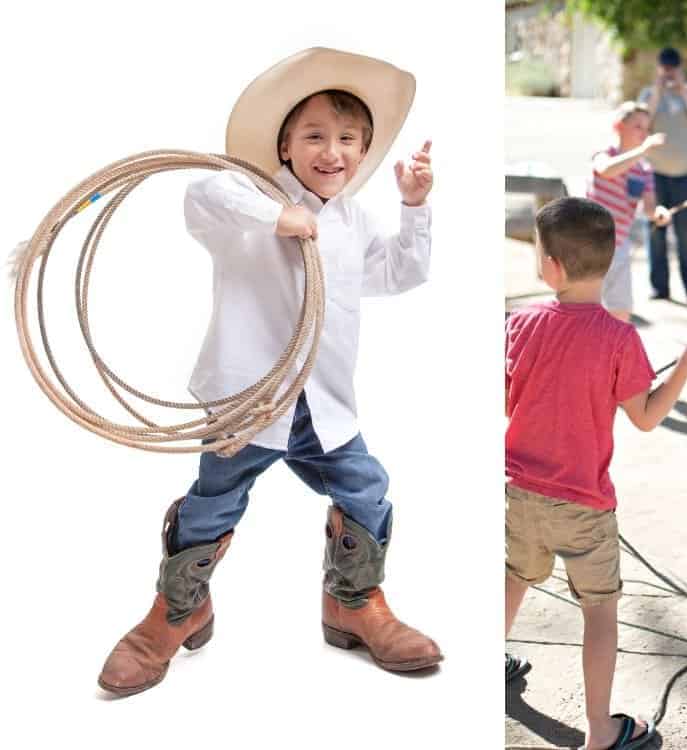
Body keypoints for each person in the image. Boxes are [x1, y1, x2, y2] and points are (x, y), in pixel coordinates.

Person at [97, 48, 442, 698]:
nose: (331, 151)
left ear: (365, 151)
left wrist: (415, 206)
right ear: (284, 144)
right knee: (214, 501)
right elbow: (203, 194)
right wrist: (276, 215)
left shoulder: (353, 219)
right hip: (249, 402)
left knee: (367, 491)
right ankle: (177, 610)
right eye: (314, 135)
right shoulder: (246, 197)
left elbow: (400, 272)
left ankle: (353, 601)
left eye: (348, 139)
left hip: (323, 405)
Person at [505, 197, 687, 750]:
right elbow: (645, 417)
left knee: (511, 578)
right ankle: (601, 731)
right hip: (584, 505)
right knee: (599, 610)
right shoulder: (621, 339)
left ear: (550, 266)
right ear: (609, 257)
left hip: (521, 492)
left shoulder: (520, 324)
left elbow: (511, 401)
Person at [638, 47, 687, 305]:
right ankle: (660, 288)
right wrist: (658, 94)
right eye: (665, 67)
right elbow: (642, 127)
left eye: (673, 67)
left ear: (680, 68)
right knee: (656, 232)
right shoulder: (648, 95)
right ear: (658, 67)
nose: (669, 72)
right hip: (655, 175)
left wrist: (684, 93)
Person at [586, 101, 671, 322]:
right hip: (589, 242)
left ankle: (614, 353)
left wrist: (659, 213)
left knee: (621, 308)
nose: (644, 133)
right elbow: (606, 170)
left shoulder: (644, 170)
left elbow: (650, 207)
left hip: (619, 244)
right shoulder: (603, 153)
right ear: (618, 126)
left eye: (647, 128)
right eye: (638, 126)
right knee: (585, 305)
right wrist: (642, 151)